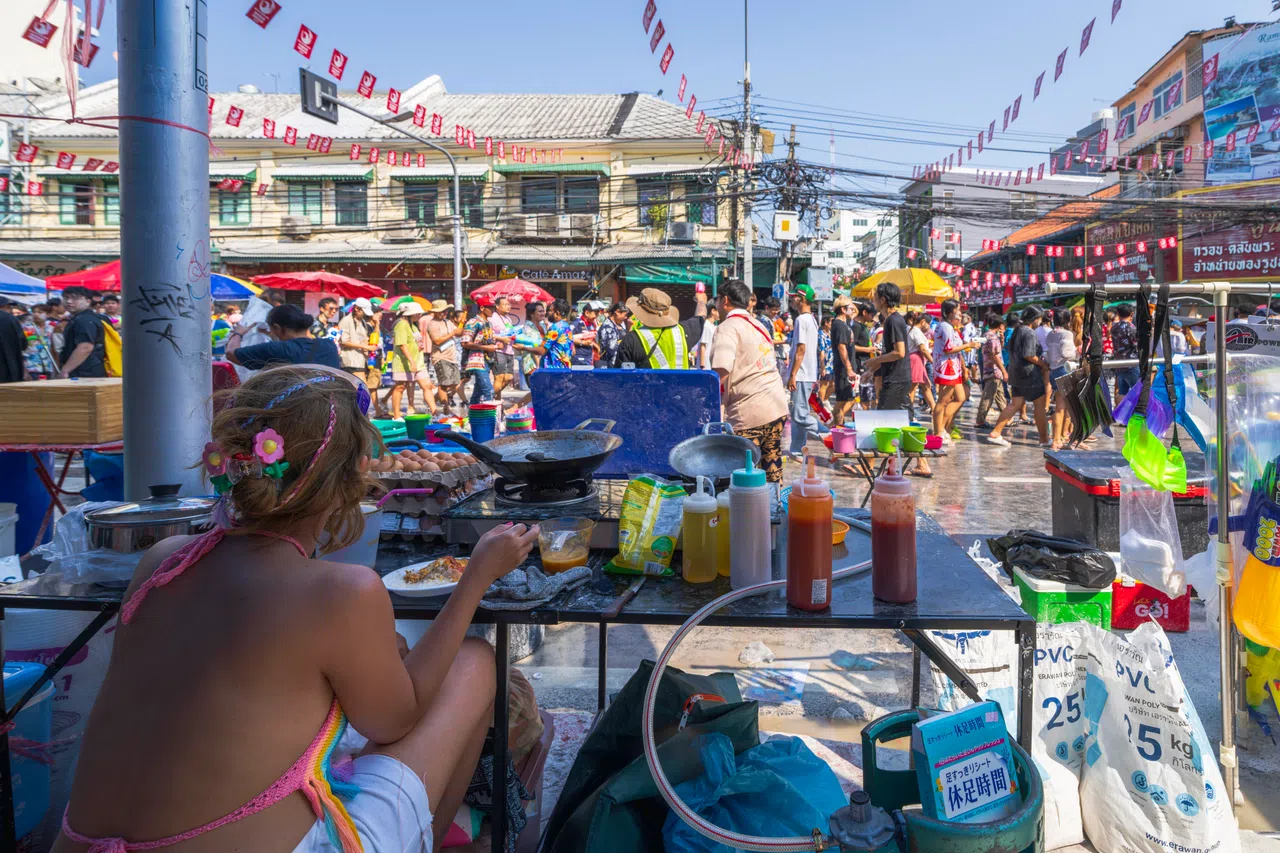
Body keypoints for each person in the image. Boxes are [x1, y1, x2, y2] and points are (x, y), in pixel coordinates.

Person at [55, 365, 539, 853]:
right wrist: (475, 578)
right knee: (475, 661)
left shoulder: (163, 562)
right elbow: (395, 722)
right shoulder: (343, 592)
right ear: (351, 478)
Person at [710, 280, 788, 483]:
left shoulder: (727, 327)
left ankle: (748, 514)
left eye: (717, 299)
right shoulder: (759, 325)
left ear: (725, 300)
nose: (716, 304)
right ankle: (775, 508)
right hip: (776, 407)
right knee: (772, 467)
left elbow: (720, 372)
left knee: (744, 477)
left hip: (749, 411)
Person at [861, 283, 933, 476]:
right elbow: (890, 352)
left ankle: (868, 464)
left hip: (896, 379)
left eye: (875, 297)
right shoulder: (893, 320)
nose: (873, 300)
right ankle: (922, 464)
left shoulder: (893, 321)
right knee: (907, 422)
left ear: (883, 299)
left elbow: (899, 352)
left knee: (880, 421)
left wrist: (875, 360)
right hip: (901, 377)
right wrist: (873, 369)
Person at [987, 306, 1050, 447]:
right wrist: (1043, 364)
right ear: (1035, 319)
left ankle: (996, 432)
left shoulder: (1017, 330)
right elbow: (1029, 355)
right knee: (1039, 406)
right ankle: (1044, 439)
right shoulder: (1029, 333)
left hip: (1015, 373)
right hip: (1029, 374)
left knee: (1015, 404)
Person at [226, 304, 342, 372]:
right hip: (331, 409)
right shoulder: (328, 345)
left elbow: (231, 354)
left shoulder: (276, 349)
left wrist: (238, 334)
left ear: (277, 327)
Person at [613, 288, 707, 369]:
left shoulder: (631, 340)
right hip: (680, 389)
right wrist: (701, 300)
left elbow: (620, 378)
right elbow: (701, 317)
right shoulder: (684, 331)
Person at [783, 284, 823, 459]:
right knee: (799, 413)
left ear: (800, 299)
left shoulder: (801, 320)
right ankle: (796, 449)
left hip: (802, 374)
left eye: (793, 297)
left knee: (799, 415)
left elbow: (801, 349)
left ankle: (829, 435)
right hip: (807, 373)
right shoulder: (811, 319)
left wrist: (792, 375)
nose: (792, 300)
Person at [931, 299, 974, 445]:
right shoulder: (945, 327)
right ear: (950, 312)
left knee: (960, 397)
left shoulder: (950, 327)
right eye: (957, 310)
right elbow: (948, 349)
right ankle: (938, 431)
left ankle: (943, 426)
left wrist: (963, 366)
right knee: (943, 400)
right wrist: (969, 345)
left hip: (953, 367)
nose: (960, 313)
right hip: (946, 367)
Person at [385, 303, 436, 419]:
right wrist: (411, 361)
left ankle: (435, 412)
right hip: (404, 363)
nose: (420, 315)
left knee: (427, 386)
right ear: (410, 313)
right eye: (418, 313)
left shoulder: (412, 325)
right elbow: (402, 345)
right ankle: (397, 416)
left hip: (418, 362)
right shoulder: (402, 325)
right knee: (400, 387)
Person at [1044, 309, 1078, 450]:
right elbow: (1067, 353)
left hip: (1053, 370)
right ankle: (1059, 438)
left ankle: (1058, 437)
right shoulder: (1067, 334)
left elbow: (1047, 353)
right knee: (1066, 408)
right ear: (1067, 319)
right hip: (1065, 370)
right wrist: (1078, 350)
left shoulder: (1051, 334)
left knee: (1061, 407)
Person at [58, 286, 108, 379]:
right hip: (86, 371)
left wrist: (65, 370)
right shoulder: (81, 318)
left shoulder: (84, 320)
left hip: (85, 374)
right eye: (66, 297)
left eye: (75, 298)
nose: (69, 301)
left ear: (88, 301)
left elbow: (85, 347)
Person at [426, 300, 463, 408]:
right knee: (444, 384)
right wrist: (453, 333)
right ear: (435, 312)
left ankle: (432, 401)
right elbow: (436, 341)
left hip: (452, 357)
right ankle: (446, 407)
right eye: (441, 311)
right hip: (441, 357)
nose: (444, 313)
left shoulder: (447, 322)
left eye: (445, 311)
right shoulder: (433, 324)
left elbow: (458, 334)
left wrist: (461, 326)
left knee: (454, 383)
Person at [337, 297, 380, 388]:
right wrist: (366, 347)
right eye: (363, 311)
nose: (365, 314)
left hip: (361, 360)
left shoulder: (362, 322)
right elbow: (344, 342)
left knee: (356, 390)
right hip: (350, 361)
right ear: (356, 308)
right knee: (362, 388)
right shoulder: (346, 321)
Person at [461, 303, 499, 403]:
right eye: (490, 308)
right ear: (482, 308)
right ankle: (488, 417)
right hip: (477, 361)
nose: (493, 311)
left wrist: (496, 346)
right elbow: (465, 343)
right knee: (488, 391)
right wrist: (486, 347)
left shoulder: (488, 323)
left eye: (494, 308)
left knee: (478, 393)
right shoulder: (473, 322)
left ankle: (472, 416)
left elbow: (488, 340)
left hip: (487, 361)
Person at [975, 313, 1008, 428]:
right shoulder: (993, 338)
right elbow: (995, 356)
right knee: (988, 397)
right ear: (999, 326)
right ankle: (980, 420)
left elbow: (997, 350)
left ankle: (1007, 418)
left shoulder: (987, 335)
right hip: (993, 370)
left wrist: (1002, 338)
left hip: (990, 369)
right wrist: (1004, 371)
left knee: (1000, 395)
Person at [829, 297, 856, 426]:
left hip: (846, 367)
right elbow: (841, 347)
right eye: (850, 308)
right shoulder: (839, 325)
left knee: (850, 399)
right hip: (843, 368)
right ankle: (836, 426)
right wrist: (849, 368)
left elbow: (855, 311)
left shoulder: (844, 324)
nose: (853, 310)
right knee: (841, 401)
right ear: (843, 309)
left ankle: (836, 424)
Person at [488, 296, 520, 396]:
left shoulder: (508, 319)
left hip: (509, 351)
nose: (508, 306)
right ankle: (493, 401)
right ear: (497, 306)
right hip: (499, 351)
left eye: (508, 304)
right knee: (499, 377)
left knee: (508, 378)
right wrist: (501, 339)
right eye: (505, 304)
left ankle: (491, 396)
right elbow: (488, 334)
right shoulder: (492, 318)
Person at [906, 311, 935, 417]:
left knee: (925, 385)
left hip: (917, 359)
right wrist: (932, 360)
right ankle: (909, 411)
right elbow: (922, 348)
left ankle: (934, 408)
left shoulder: (912, 330)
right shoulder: (915, 331)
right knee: (914, 386)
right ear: (922, 321)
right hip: (916, 358)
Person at [1110, 303, 1140, 397]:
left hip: (1119, 364)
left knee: (1122, 394)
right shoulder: (1131, 328)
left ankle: (1122, 411)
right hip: (1131, 364)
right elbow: (1137, 345)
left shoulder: (1114, 327)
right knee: (1139, 393)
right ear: (1131, 314)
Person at [852, 302, 877, 409]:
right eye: (871, 315)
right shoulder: (856, 326)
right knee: (863, 393)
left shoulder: (863, 326)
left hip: (865, 362)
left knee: (867, 393)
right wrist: (868, 349)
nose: (872, 318)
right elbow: (852, 346)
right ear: (864, 312)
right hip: (859, 363)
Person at [540, 300, 575, 369]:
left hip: (553, 371)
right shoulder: (566, 327)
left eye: (550, 310)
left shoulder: (555, 328)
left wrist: (525, 348)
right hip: (565, 369)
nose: (547, 313)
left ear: (557, 314)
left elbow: (543, 349)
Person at [0, 298, 28, 383]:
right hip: (10, 371)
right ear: (3, 307)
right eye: (9, 307)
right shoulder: (11, 319)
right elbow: (23, 344)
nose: (11, 310)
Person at [596, 302, 629, 368]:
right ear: (617, 312)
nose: (626, 318)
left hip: (619, 363)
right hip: (611, 365)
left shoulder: (619, 325)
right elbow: (611, 349)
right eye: (625, 315)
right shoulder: (607, 327)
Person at [568, 302, 600, 367]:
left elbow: (589, 338)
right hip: (578, 358)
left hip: (588, 358)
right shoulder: (576, 323)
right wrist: (583, 343)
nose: (597, 316)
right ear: (587, 313)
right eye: (595, 314)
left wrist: (595, 345)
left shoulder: (591, 324)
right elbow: (568, 337)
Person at [817, 313, 834, 404]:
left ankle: (825, 400)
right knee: (824, 384)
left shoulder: (831, 333)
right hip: (825, 362)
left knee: (833, 384)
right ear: (826, 323)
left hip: (832, 363)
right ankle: (821, 404)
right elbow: (821, 350)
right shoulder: (820, 334)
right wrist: (822, 366)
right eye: (832, 322)